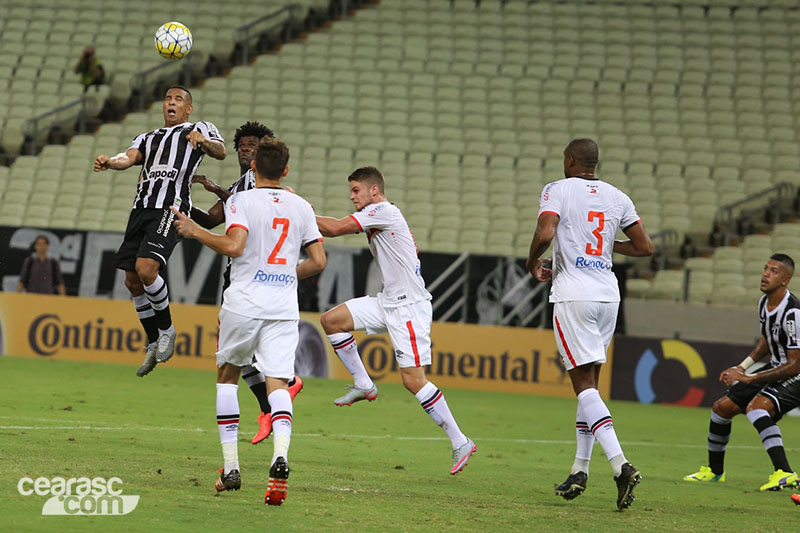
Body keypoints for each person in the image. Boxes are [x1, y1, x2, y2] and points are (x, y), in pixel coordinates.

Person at [171, 136, 325, 505]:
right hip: (284, 308)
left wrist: (195, 231)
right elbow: (319, 262)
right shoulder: (301, 206)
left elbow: (235, 246)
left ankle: (231, 468)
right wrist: (286, 275)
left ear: (253, 167)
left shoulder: (240, 200)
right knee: (279, 385)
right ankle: (280, 456)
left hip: (243, 302)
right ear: (286, 170)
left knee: (228, 378)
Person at [315, 166, 477, 475]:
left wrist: (300, 213)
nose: (352, 197)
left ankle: (460, 441)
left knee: (413, 381)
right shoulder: (378, 212)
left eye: (356, 191)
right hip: (388, 300)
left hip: (409, 308)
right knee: (331, 320)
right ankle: (364, 384)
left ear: (373, 190)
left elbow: (335, 229)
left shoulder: (383, 210)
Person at [526, 138, 654, 511]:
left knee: (583, 388)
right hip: (607, 297)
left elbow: (546, 232)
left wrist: (532, 261)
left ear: (569, 160)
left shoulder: (557, 190)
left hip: (574, 296)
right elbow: (644, 246)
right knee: (589, 388)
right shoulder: (618, 196)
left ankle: (620, 465)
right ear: (594, 164)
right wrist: (604, 247)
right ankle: (580, 469)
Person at [93, 85, 226, 377]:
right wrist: (110, 163)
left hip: (171, 207)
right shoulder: (148, 137)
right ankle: (153, 340)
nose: (171, 102)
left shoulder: (199, 128)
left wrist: (203, 141)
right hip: (140, 209)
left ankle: (167, 330)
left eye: (178, 99)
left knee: (146, 268)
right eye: (168, 98)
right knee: (132, 280)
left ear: (188, 108)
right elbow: (127, 158)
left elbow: (221, 151)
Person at [190, 121, 304, 445]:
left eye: (252, 145)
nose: (245, 148)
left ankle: (282, 391)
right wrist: (184, 207)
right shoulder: (242, 182)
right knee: (238, 353)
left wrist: (218, 191)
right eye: (241, 144)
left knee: (231, 356)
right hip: (240, 272)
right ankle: (270, 409)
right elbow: (213, 218)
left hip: (256, 274)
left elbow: (249, 208)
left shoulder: (260, 184)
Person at [685, 253, 800, 491]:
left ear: (785, 279)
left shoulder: (793, 313)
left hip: (797, 372)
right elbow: (767, 341)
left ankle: (785, 473)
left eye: (774, 271)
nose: (766, 274)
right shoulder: (763, 303)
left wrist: (751, 377)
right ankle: (715, 472)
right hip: (778, 367)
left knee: (757, 408)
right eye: (765, 268)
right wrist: (742, 367)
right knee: (721, 408)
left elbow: (795, 364)